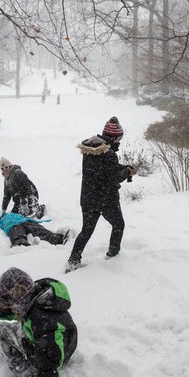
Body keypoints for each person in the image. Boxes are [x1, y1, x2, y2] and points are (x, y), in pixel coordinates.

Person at [65, 116, 136, 273]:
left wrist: (124, 167)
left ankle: (73, 260)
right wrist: (127, 172)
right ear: (113, 138)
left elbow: (105, 170)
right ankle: (113, 253)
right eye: (119, 139)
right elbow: (113, 177)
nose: (119, 142)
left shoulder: (91, 150)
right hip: (105, 199)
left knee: (86, 230)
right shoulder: (108, 154)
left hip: (88, 198)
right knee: (118, 225)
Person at [0, 212, 71, 247]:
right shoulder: (0, 223)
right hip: (13, 227)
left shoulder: (15, 215)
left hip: (26, 222)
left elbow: (32, 219)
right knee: (17, 236)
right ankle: (21, 246)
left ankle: (59, 239)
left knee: (40, 231)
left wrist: (44, 222)